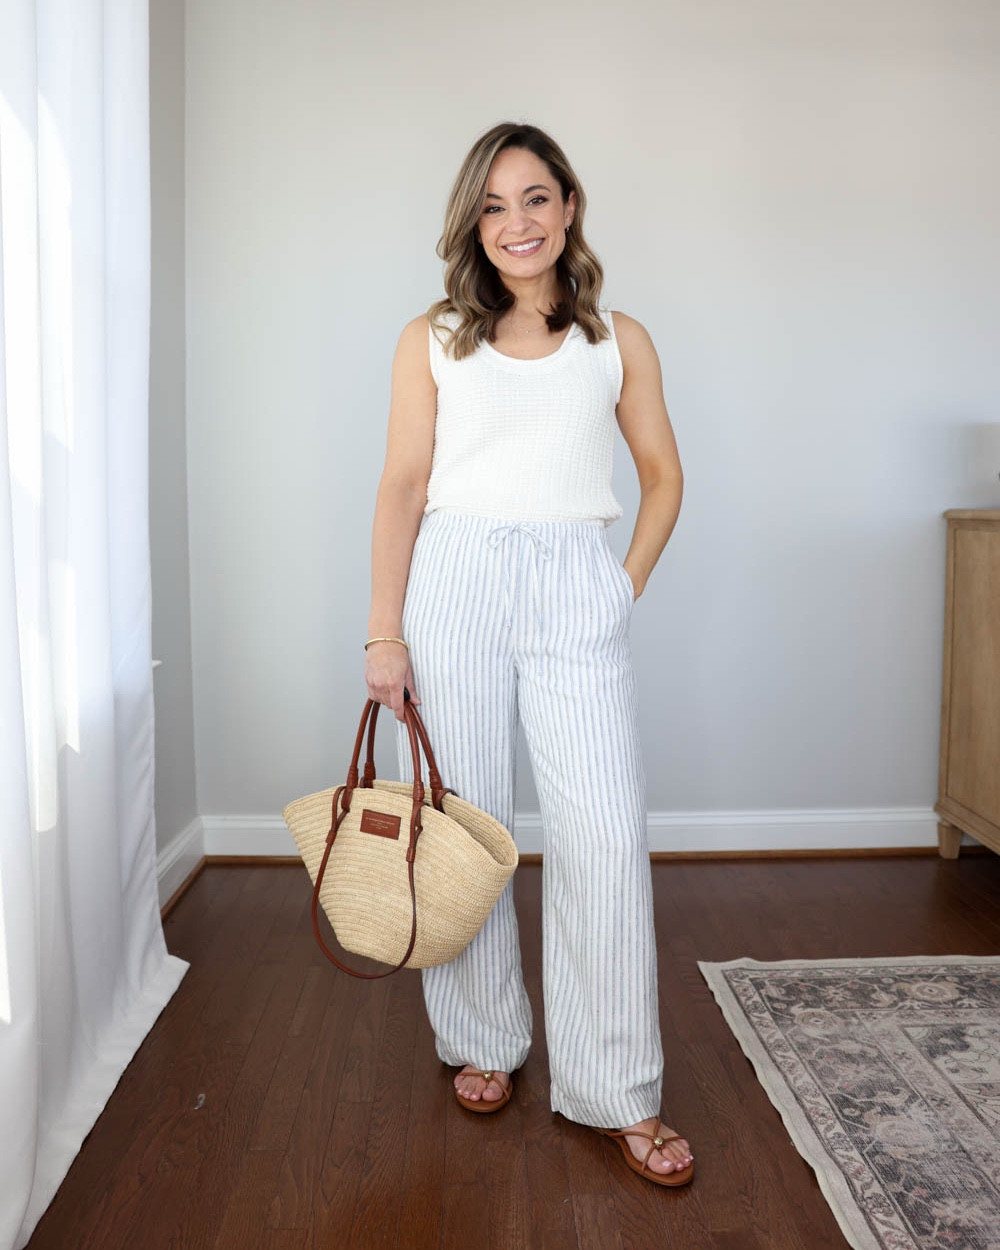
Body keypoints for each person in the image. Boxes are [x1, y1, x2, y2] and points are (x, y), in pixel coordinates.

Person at [364, 121, 691, 1187]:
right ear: (474, 220)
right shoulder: (433, 336)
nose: (519, 222)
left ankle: (615, 1088)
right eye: (497, 204)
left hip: (571, 579)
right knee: (467, 823)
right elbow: (403, 488)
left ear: (568, 208)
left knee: (601, 828)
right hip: (452, 576)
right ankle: (481, 1038)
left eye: (537, 197)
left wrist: (616, 585)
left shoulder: (617, 339)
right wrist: (384, 628)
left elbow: (661, 475)